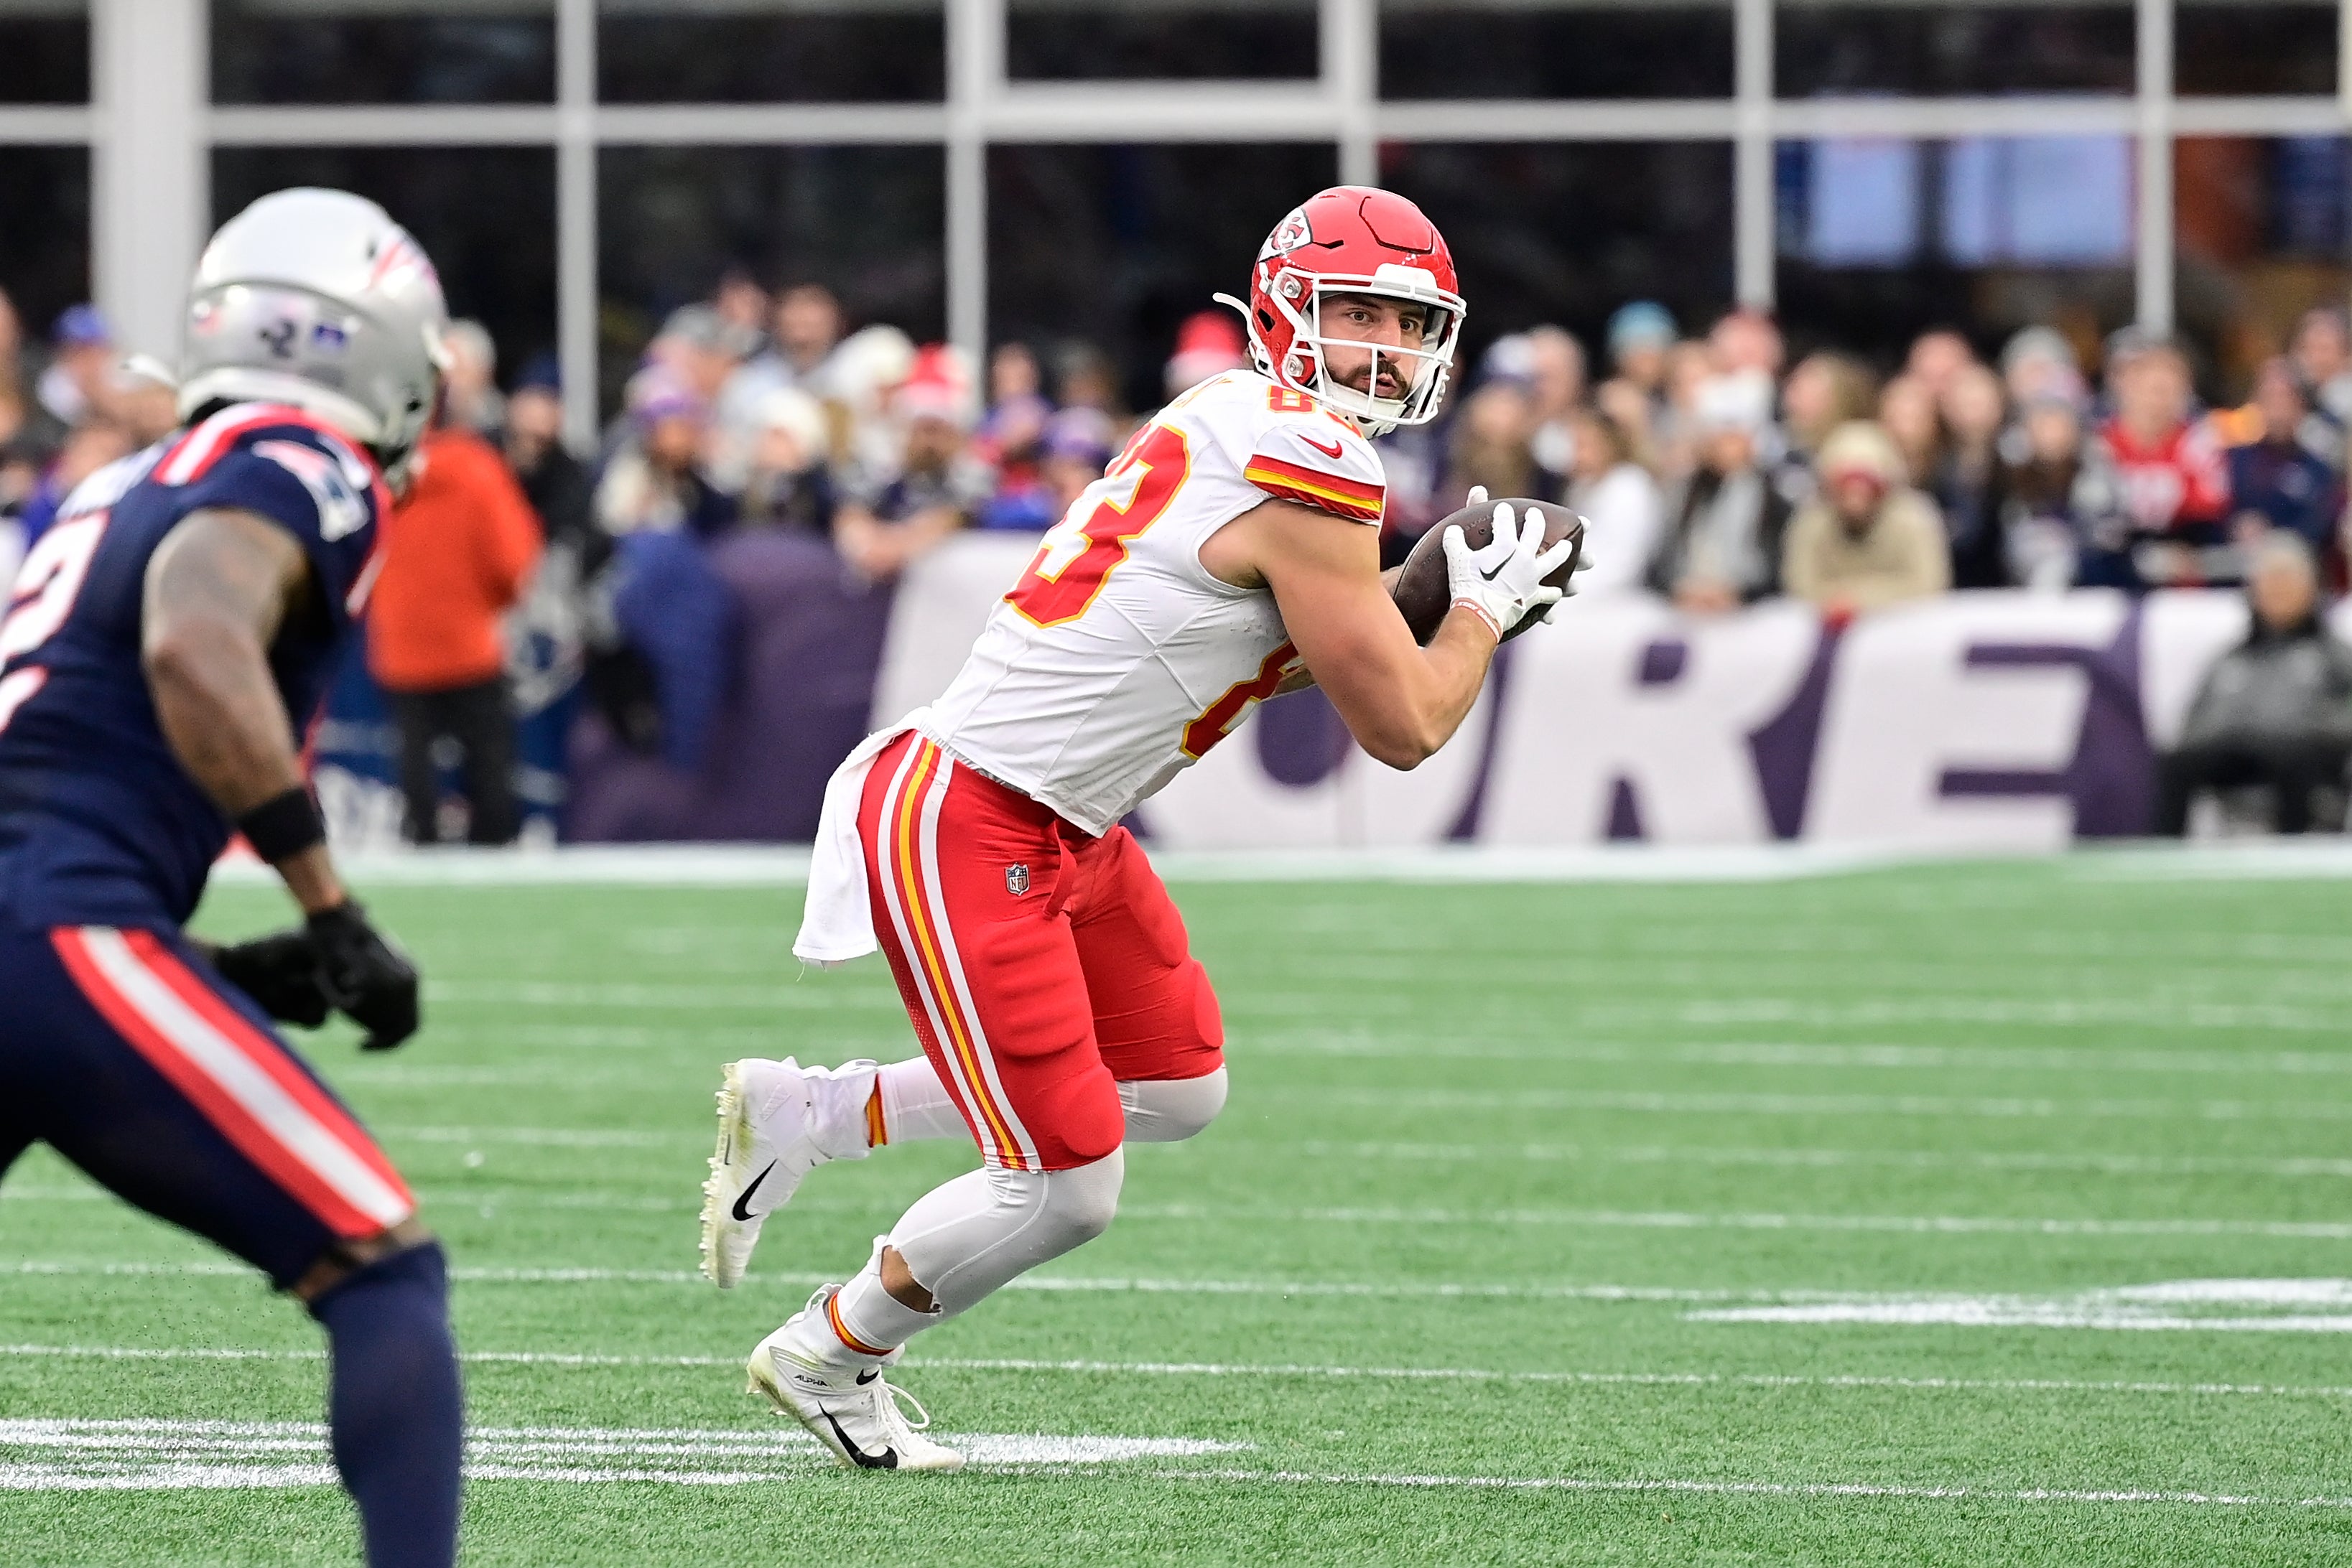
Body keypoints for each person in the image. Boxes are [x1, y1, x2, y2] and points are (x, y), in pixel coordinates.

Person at [694, 185, 1580, 1473]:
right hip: (972, 813)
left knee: (1174, 1085)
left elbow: (1258, 645)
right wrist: (1479, 613)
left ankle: (815, 1113)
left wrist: (1423, 594)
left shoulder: (1232, 414)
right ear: (1288, 312)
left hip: (1068, 819)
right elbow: (1403, 724)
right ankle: (835, 1347)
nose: (1387, 349)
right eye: (1360, 315)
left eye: (1408, 321)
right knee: (1064, 1183)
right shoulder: (1311, 457)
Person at [0, 189, 458, 1565]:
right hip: (54, 928)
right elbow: (194, 645)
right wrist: (332, 904)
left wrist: (211, 968)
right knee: (385, 1268)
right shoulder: (301, 456)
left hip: (49, 927)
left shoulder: (118, 475)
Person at [368, 419, 543, 846]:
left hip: (402, 642)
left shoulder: (379, 468)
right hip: (470, 642)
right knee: (489, 765)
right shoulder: (478, 468)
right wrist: (493, 604)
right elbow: (512, 557)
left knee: (416, 767)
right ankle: (494, 852)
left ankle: (421, 847)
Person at [2157, 532, 2352, 835]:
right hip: (2237, 752)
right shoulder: (2231, 658)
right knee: (2179, 761)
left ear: (2311, 587)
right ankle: (2160, 855)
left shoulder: (2334, 657)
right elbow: (2193, 721)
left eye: (2286, 579)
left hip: (2305, 757)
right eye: (2269, 580)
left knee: (2295, 756)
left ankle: (2294, 852)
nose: (2277, 590)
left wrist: (2316, 730)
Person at [2073, 336, 2230, 589]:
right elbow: (2095, 522)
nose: (2158, 399)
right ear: (2125, 387)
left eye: (2169, 387)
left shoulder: (2198, 443)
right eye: (2152, 387)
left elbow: (2208, 513)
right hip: (2114, 578)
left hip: (2183, 576)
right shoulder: (2098, 446)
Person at [832, 353, 993, 582]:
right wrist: (863, 543)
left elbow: (950, 518)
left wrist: (898, 548)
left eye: (938, 430)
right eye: (922, 429)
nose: (929, 442)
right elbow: (851, 509)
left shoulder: (973, 474)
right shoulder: (884, 467)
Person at [1781, 420, 1952, 619]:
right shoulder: (1811, 524)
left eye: (1866, 485)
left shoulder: (1915, 520)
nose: (1855, 499)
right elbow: (1799, 587)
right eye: (1844, 488)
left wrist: (1858, 600)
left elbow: (1930, 584)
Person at [1650, 370, 1790, 612]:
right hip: (1686, 606)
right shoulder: (1684, 492)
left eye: (1733, 437)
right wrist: (1679, 588)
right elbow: (1660, 560)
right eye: (1717, 437)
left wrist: (1741, 593)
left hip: (1750, 614)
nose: (1724, 446)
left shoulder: (1775, 497)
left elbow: (1779, 569)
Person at [2227, 358, 2341, 564]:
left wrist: (2274, 541)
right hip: (2232, 573)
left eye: (2286, 400)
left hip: (2296, 572)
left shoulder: (2319, 472)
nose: (2278, 410)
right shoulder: (2232, 461)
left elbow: (2321, 525)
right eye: (2269, 399)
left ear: (2302, 407)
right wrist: (2235, 527)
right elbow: (2213, 516)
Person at [1563, 405, 1660, 595]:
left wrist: (1567, 587)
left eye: (1585, 445)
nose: (1578, 454)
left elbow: (1623, 563)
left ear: (1609, 445)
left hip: (1622, 596)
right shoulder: (1580, 487)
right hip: (1580, 589)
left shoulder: (1631, 486)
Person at [1934, 362, 2014, 588]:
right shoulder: (1936, 469)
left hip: (2006, 586)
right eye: (1965, 404)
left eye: (1980, 403)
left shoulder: (2016, 465)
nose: (1973, 413)